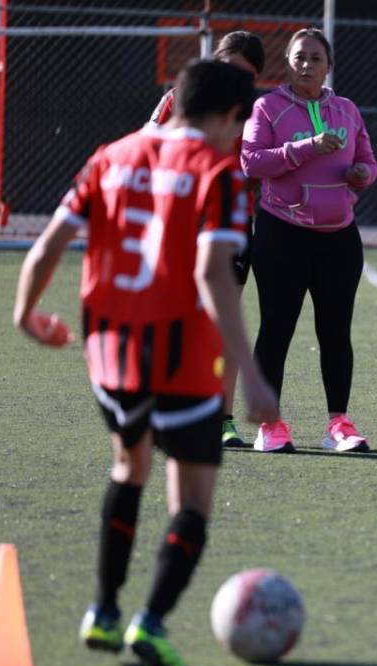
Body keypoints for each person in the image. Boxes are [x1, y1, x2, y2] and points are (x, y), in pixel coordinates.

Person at [11, 60, 278, 666]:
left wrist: (25, 312)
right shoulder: (220, 175)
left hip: (111, 354)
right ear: (227, 117)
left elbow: (52, 240)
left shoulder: (112, 155)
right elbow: (213, 276)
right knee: (192, 500)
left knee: (129, 466)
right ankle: (151, 621)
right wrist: (251, 374)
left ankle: (102, 609)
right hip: (184, 360)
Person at [241, 28, 377, 453]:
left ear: (328, 65)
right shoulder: (267, 107)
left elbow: (368, 162)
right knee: (276, 329)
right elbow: (251, 162)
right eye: (299, 57)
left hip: (339, 239)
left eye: (315, 58)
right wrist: (306, 149)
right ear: (288, 61)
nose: (307, 65)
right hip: (283, 234)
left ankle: (339, 423)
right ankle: (270, 425)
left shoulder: (348, 109)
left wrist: (361, 175)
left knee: (336, 331)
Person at [151, 30, 265, 449]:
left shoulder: (255, 111)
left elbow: (258, 162)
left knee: (222, 319)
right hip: (181, 221)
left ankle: (222, 417)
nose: (236, 80)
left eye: (246, 75)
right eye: (230, 68)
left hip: (231, 222)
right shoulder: (180, 99)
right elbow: (151, 146)